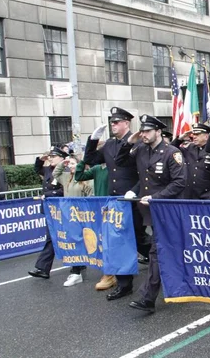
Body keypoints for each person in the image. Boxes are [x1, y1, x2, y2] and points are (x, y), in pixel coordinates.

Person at [116, 114, 187, 313]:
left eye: (148, 131)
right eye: (142, 131)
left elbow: (180, 182)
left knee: (157, 251)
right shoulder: (140, 149)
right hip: (149, 209)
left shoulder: (171, 153)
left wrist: (156, 197)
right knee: (167, 250)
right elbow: (120, 162)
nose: (144, 135)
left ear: (158, 132)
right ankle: (181, 281)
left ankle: (147, 297)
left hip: (167, 209)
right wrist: (128, 141)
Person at [84, 107, 151, 301]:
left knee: (139, 238)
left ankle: (161, 263)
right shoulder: (110, 145)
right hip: (115, 201)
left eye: (116, 122)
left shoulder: (138, 141)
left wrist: (135, 191)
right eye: (111, 122)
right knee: (118, 241)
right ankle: (124, 284)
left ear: (126, 123)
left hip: (132, 198)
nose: (113, 125)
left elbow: (144, 172)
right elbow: (90, 159)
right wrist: (93, 140)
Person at [74, 140, 115, 291]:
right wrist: (83, 161)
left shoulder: (113, 168)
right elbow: (79, 176)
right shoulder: (97, 168)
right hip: (99, 209)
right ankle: (109, 273)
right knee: (104, 241)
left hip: (112, 208)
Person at [27, 147, 69, 280]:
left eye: (54, 156)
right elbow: (36, 168)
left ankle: (77, 264)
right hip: (50, 209)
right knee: (52, 237)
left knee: (69, 236)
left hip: (61, 209)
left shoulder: (65, 171)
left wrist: (48, 195)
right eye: (50, 156)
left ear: (62, 158)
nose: (50, 158)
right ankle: (43, 268)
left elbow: (66, 190)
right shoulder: (47, 170)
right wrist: (41, 159)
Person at [52, 155, 94, 286]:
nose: (70, 166)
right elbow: (55, 173)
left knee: (88, 242)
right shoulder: (66, 178)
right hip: (69, 216)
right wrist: (62, 163)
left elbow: (91, 196)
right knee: (73, 242)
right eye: (69, 164)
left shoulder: (88, 179)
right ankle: (76, 272)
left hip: (83, 216)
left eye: (73, 163)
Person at [172, 123, 210, 199]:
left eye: (197, 134)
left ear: (206, 136)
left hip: (208, 195)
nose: (194, 137)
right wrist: (180, 139)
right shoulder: (190, 148)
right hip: (190, 195)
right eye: (193, 134)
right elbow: (171, 151)